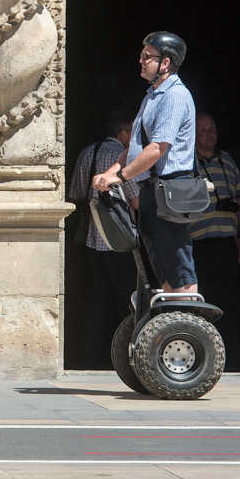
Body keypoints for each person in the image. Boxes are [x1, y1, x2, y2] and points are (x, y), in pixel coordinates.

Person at [94, 30, 198, 294]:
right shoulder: (152, 96)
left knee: (178, 267)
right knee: (161, 264)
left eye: (147, 56)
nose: (140, 60)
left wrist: (121, 177)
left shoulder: (175, 95)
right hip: (151, 190)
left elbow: (156, 149)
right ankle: (170, 315)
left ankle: (186, 315)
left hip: (170, 189)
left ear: (165, 63)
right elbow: (135, 149)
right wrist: (109, 174)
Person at [67, 109, 139, 368]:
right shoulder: (123, 158)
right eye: (132, 133)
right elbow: (136, 201)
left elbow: (75, 194)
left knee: (94, 301)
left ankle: (90, 357)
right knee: (124, 301)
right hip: (119, 240)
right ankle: (124, 358)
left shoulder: (87, 153)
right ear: (123, 134)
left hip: (90, 239)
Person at [189, 113, 240, 358]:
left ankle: (230, 355)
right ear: (193, 134)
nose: (209, 134)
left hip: (227, 244)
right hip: (198, 244)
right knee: (202, 301)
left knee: (229, 300)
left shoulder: (227, 160)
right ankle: (205, 355)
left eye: (212, 129)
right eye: (203, 130)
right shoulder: (187, 161)